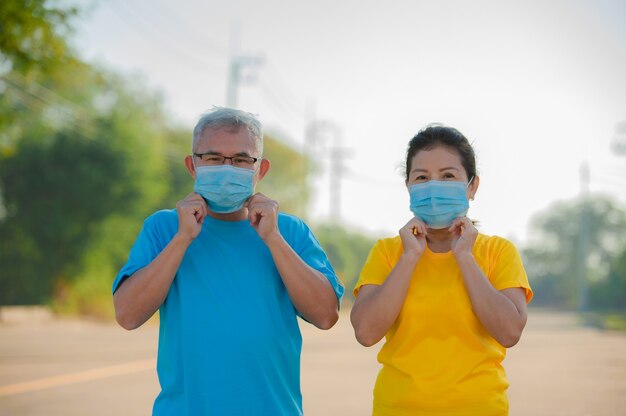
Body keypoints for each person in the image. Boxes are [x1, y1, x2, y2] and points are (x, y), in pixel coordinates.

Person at [112, 107, 344, 415]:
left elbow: (326, 315)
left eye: (240, 160)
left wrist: (273, 239)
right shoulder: (164, 228)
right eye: (213, 158)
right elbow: (128, 315)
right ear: (192, 165)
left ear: (259, 170)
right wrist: (182, 238)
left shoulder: (290, 231)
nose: (227, 168)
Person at [350, 125, 533, 416]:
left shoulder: (498, 252)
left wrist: (464, 256)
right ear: (408, 187)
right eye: (422, 177)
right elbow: (366, 332)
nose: (433, 186)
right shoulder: (388, 252)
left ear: (472, 186)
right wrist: (410, 256)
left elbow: (509, 332)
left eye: (448, 176)